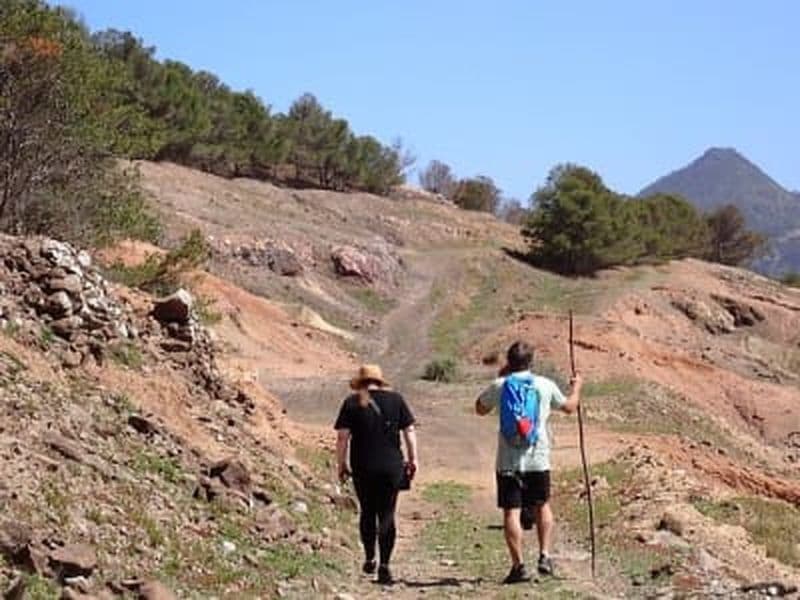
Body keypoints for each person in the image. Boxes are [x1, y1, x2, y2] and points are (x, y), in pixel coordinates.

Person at [475, 341, 583, 584]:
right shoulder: (544, 384)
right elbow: (569, 407)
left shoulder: (501, 385)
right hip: (538, 458)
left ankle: (518, 566)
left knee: (511, 512)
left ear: (509, 361)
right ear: (531, 361)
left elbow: (479, 409)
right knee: (542, 506)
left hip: (508, 460)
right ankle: (544, 556)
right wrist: (577, 387)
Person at [335, 364, 418, 585]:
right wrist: (413, 459)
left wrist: (341, 464)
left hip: (363, 466)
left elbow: (342, 437)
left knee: (367, 511)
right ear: (380, 382)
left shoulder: (351, 402)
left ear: (360, 383)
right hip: (391, 466)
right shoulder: (396, 400)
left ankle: (370, 556)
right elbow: (409, 430)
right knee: (387, 513)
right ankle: (385, 565)